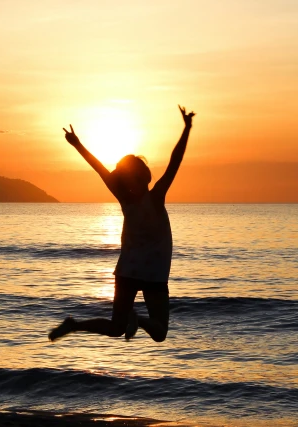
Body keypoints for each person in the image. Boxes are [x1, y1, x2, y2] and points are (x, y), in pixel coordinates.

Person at [48, 105, 195, 342]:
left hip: (128, 271)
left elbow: (98, 168)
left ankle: (74, 326)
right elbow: (174, 162)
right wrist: (187, 128)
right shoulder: (155, 198)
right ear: (145, 175)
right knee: (160, 333)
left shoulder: (125, 200)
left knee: (117, 327)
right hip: (155, 273)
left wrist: (77, 144)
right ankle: (141, 321)